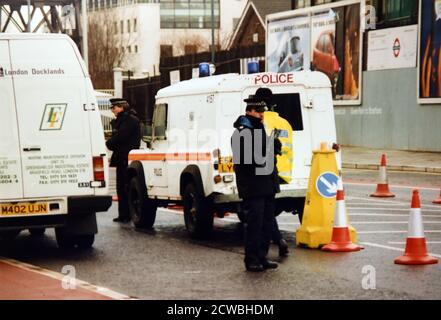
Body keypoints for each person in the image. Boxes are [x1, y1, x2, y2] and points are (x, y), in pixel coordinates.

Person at [231, 88, 281, 272]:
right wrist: (268, 150)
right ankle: (251, 258)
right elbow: (250, 160)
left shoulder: (259, 129)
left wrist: (269, 149)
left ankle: (262, 256)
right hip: (253, 186)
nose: (262, 115)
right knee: (254, 224)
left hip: (267, 185)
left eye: (263, 112)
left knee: (267, 224)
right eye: (259, 112)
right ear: (250, 111)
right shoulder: (242, 132)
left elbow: (273, 151)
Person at [106, 98, 141, 223]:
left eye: (114, 107)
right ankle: (124, 214)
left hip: (126, 157)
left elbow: (120, 137)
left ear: (121, 107)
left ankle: (127, 214)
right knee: (121, 187)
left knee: (125, 187)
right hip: (121, 157)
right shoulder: (121, 120)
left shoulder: (129, 120)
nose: (112, 110)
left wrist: (108, 143)